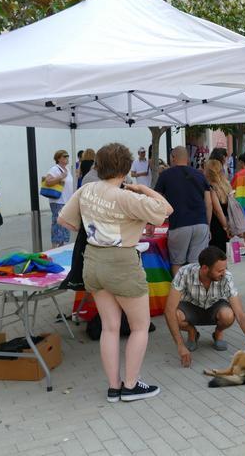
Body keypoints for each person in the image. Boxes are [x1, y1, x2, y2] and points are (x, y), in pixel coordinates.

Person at [58, 143, 173, 402]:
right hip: (122, 262)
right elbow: (166, 210)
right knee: (140, 326)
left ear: (98, 166)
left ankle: (113, 387)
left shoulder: (86, 190)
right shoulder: (128, 197)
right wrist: (144, 188)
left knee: (110, 327)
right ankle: (131, 385)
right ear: (126, 167)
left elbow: (64, 220)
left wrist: (95, 229)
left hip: (93, 261)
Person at [164, 246, 245, 367]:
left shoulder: (227, 277)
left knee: (229, 315)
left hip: (215, 308)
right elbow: (169, 310)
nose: (223, 273)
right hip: (191, 308)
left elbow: (240, 314)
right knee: (175, 315)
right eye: (220, 271)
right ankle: (192, 331)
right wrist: (180, 346)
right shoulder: (184, 272)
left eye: (225, 269)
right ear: (204, 268)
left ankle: (218, 333)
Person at [154, 146, 212, 277]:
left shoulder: (165, 175)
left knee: (177, 263)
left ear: (173, 158)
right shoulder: (200, 175)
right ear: (187, 158)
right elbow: (208, 203)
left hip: (179, 224)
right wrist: (207, 225)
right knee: (196, 263)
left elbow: (156, 201)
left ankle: (179, 295)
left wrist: (154, 222)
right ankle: (195, 294)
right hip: (200, 224)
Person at [44, 150, 75, 248]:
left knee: (65, 224)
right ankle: (55, 245)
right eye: (64, 156)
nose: (66, 158)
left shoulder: (67, 170)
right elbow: (47, 181)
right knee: (58, 223)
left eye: (67, 156)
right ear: (58, 158)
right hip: (58, 201)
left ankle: (62, 244)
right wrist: (60, 177)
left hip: (67, 201)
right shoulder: (55, 169)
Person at [205, 159, 232, 252]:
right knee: (223, 254)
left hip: (216, 224)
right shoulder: (226, 185)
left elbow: (217, 210)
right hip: (227, 220)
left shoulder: (211, 188)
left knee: (215, 255)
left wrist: (225, 227)